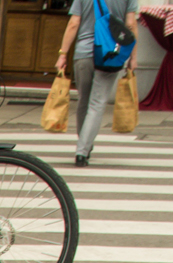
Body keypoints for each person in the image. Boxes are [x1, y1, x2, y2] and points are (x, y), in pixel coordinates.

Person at [56, 0, 136, 165]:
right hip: (109, 54)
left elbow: (73, 23)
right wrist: (133, 57)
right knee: (97, 104)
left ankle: (84, 144)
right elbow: (131, 24)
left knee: (83, 101)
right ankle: (82, 151)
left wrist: (63, 54)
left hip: (83, 53)